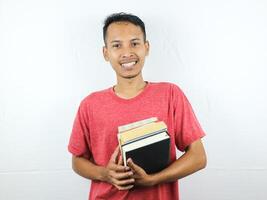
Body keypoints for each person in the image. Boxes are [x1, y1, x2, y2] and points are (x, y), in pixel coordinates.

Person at [68, 12, 207, 200]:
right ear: (106, 53)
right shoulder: (90, 104)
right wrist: (105, 174)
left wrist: (153, 179)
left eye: (134, 43)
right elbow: (77, 161)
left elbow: (198, 157)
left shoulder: (171, 94)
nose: (127, 53)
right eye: (117, 45)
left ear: (146, 47)